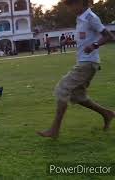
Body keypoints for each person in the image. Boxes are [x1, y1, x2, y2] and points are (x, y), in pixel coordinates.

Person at [38, 0, 115, 139]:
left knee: (62, 89)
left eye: (71, 4)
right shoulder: (80, 19)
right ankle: (107, 113)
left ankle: (54, 130)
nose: (69, 8)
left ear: (82, 3)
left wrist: (94, 45)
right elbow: (85, 40)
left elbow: (109, 36)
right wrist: (72, 42)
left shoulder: (91, 18)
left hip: (87, 64)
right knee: (77, 96)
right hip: (85, 63)